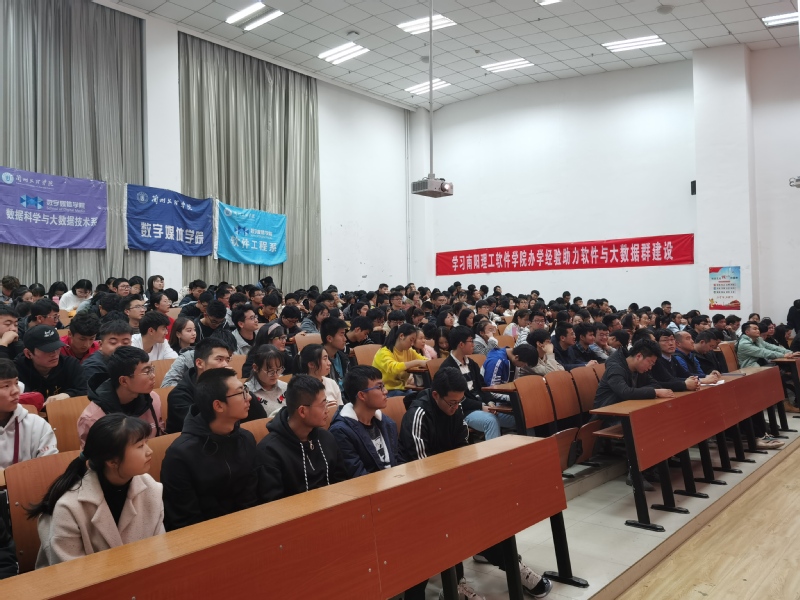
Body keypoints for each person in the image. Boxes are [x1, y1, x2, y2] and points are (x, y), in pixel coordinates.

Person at [399, 368, 552, 599]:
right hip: (421, 492)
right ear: (436, 395)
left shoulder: (456, 407)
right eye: (451, 403)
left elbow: (463, 449)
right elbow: (420, 468)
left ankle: (511, 564)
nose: (456, 407)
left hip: (449, 482)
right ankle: (456, 584)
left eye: (459, 402)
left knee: (488, 506)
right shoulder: (417, 415)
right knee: (455, 517)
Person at [30, 414, 163, 568]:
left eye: (146, 443)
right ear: (112, 461)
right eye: (140, 446)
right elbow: (70, 573)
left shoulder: (151, 488)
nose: (149, 451)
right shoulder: (69, 507)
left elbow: (159, 551)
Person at [161, 368, 260, 530]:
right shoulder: (179, 455)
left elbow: (250, 498)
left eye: (246, 390)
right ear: (218, 405)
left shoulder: (246, 439)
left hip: (246, 528)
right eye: (240, 393)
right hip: (203, 536)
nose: (249, 397)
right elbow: (185, 520)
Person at [257, 375, 348, 502]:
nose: (327, 410)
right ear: (302, 411)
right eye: (323, 404)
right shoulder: (270, 451)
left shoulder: (326, 437)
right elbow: (274, 503)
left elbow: (342, 481)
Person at [166, 337, 266, 434]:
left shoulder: (230, 387)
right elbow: (203, 426)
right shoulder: (179, 396)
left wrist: (237, 388)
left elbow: (260, 419)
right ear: (199, 363)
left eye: (227, 360)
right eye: (219, 359)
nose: (225, 365)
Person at [78, 347, 165, 448]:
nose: (153, 375)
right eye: (146, 372)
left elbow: (159, 437)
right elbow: (94, 456)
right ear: (124, 381)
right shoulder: (93, 418)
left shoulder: (153, 399)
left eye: (152, 369)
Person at [441, 326, 517, 440]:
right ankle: (495, 452)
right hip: (464, 411)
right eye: (471, 341)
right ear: (461, 344)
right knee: (490, 421)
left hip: (482, 405)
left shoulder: (472, 364)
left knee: (518, 418)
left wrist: (490, 402)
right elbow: (457, 400)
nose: (474, 345)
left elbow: (483, 386)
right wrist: (481, 406)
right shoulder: (448, 368)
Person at [329, 365, 400, 477]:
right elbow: (357, 475)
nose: (385, 391)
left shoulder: (387, 423)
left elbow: (398, 461)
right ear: (362, 395)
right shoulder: (341, 432)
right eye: (379, 387)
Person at [0, 358, 57, 468]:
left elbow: (50, 467)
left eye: (16, 383)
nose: (16, 391)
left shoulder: (37, 425)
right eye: (6, 386)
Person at [593, 339, 673, 416]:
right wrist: (655, 392)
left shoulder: (639, 368)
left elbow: (655, 384)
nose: (650, 368)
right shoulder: (615, 367)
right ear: (639, 356)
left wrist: (637, 392)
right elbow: (624, 392)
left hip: (627, 409)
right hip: (606, 415)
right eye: (650, 363)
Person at [15, 326, 87, 404]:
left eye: (57, 347)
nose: (54, 354)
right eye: (47, 350)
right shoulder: (16, 370)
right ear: (28, 353)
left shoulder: (71, 364)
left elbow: (85, 390)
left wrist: (68, 395)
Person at [372, 323, 427, 397]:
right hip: (386, 390)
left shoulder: (409, 351)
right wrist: (417, 362)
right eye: (411, 340)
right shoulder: (383, 352)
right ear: (401, 336)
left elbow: (424, 360)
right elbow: (394, 368)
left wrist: (426, 362)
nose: (412, 344)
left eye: (414, 341)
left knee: (422, 396)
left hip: (403, 389)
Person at [81, 321, 134, 387]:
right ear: (100, 345)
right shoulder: (92, 367)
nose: (120, 346)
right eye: (113, 342)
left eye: (125, 343)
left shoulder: (129, 361)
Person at [296, 344, 343, 414]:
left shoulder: (332, 383)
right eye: (325, 359)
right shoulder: (301, 389)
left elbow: (342, 410)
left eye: (328, 358)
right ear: (311, 364)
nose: (329, 363)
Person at [245, 345, 288, 417]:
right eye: (270, 371)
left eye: (278, 370)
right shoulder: (247, 393)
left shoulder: (285, 387)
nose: (275, 375)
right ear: (255, 368)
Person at [321, 317, 350, 395]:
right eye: (342, 335)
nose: (345, 339)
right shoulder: (318, 360)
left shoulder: (343, 358)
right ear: (329, 338)